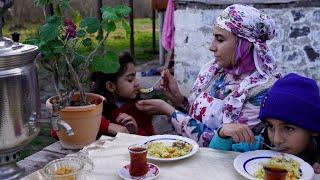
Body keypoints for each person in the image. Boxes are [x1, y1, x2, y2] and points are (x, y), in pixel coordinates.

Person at [136, 4, 280, 147]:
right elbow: (200, 117)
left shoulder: (262, 91)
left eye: (220, 39)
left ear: (244, 44)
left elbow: (224, 142)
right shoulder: (217, 72)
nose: (212, 47)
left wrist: (168, 111)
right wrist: (179, 99)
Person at [209, 73, 320, 174]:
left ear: (313, 129)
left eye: (288, 128)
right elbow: (216, 159)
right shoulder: (259, 145)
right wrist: (223, 134)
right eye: (270, 126)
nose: (276, 140)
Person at [51, 52, 155, 139]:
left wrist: (135, 132)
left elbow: (151, 141)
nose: (137, 83)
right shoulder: (95, 106)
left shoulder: (141, 108)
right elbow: (57, 131)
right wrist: (106, 126)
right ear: (110, 86)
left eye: (135, 77)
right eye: (130, 79)